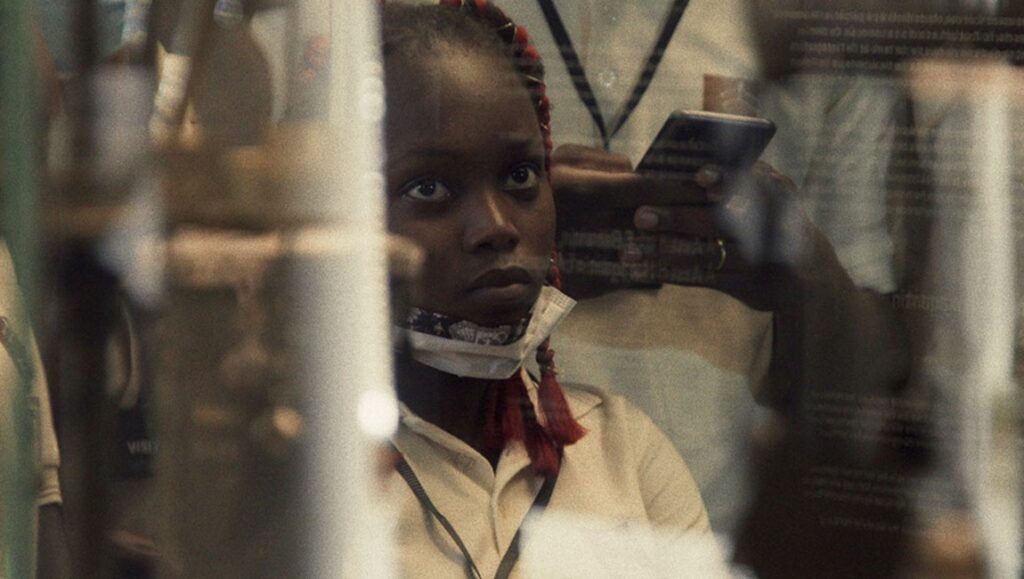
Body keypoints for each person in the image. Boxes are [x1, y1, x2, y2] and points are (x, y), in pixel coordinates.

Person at [380, 2, 725, 576]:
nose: (496, 225)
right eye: (429, 186)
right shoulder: (308, 471)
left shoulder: (621, 451)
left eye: (520, 176)